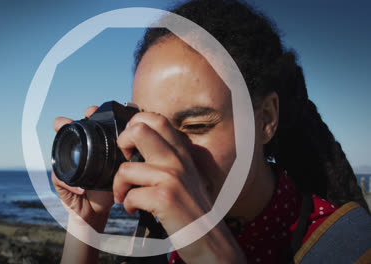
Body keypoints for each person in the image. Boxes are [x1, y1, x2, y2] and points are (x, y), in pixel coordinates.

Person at [51, 0, 371, 263]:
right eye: (147, 127)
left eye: (195, 126)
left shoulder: (349, 246)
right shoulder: (156, 234)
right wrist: (86, 224)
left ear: (266, 119)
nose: (167, 152)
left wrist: (211, 252)